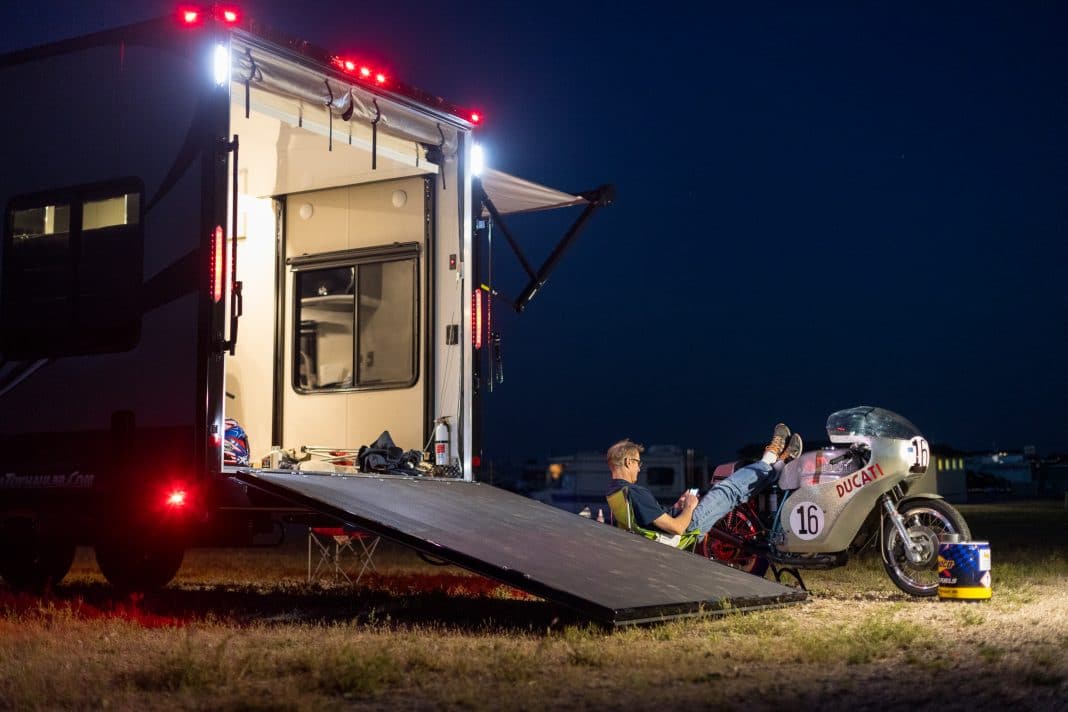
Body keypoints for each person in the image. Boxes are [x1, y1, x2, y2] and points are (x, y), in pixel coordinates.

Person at [605, 424, 802, 537]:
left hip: (666, 531)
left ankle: (778, 461)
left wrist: (678, 506)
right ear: (629, 461)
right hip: (685, 529)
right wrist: (689, 507)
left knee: (733, 490)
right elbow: (678, 528)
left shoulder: (615, 492)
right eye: (638, 463)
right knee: (727, 488)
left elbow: (652, 522)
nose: (639, 468)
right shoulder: (634, 492)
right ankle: (773, 458)